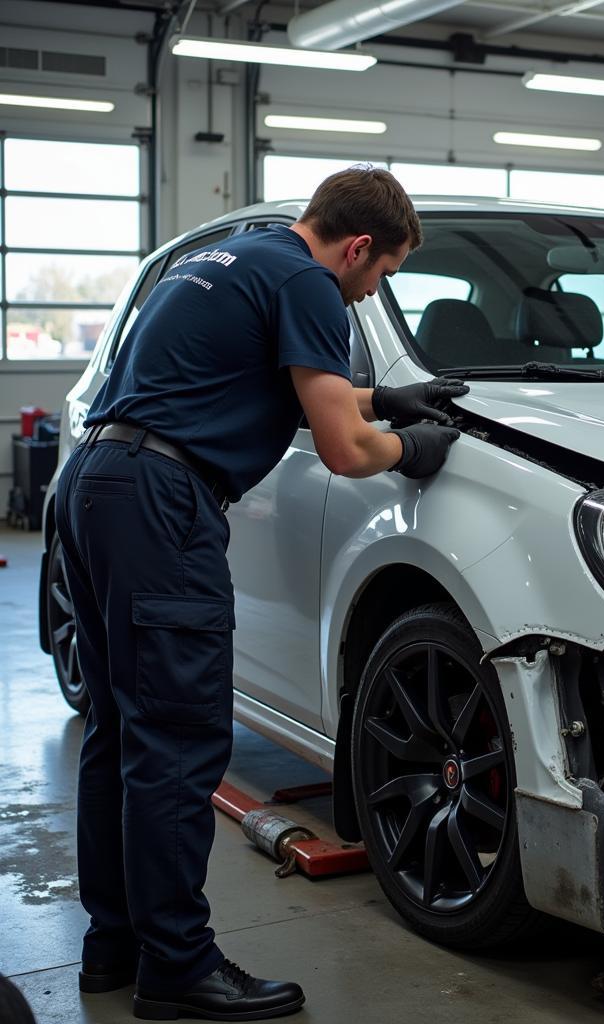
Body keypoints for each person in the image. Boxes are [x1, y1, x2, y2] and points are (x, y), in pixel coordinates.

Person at [54, 166, 466, 1021]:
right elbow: (349, 451)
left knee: (119, 730)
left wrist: (382, 393)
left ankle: (114, 948)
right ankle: (178, 968)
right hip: (165, 504)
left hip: (97, 481)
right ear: (357, 247)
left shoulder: (237, 259)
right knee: (177, 741)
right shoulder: (311, 284)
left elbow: (258, 377)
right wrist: (413, 446)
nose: (367, 292)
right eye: (380, 275)